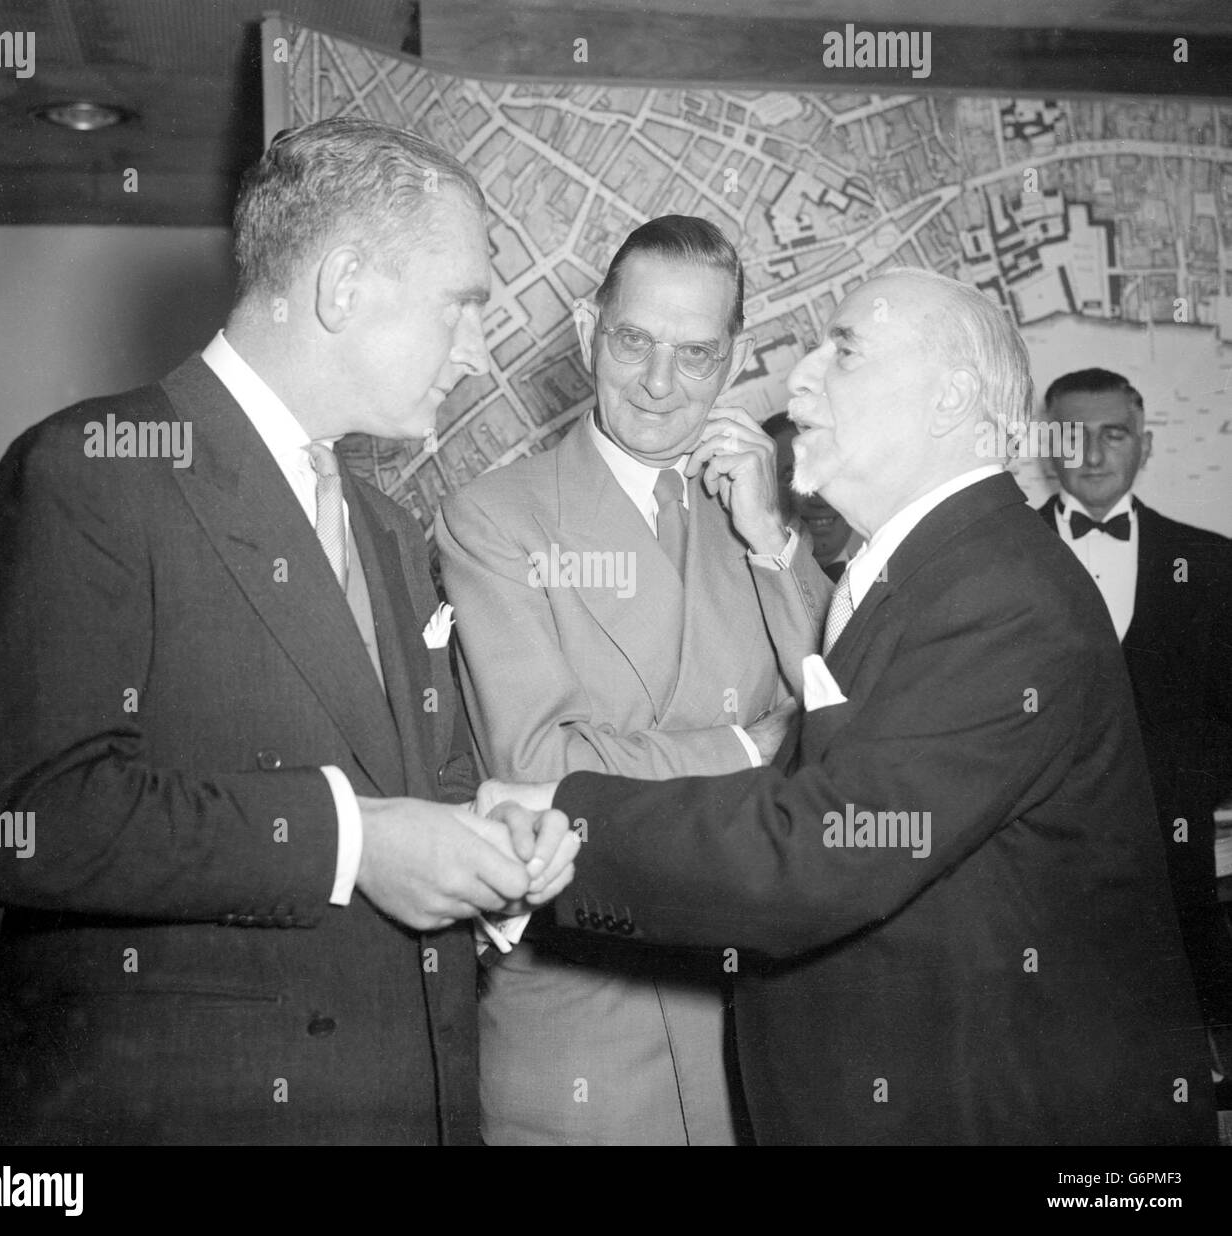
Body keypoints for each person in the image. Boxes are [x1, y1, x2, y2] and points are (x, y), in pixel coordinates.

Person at [0, 118, 571, 1146]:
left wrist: (491, 842)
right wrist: (352, 842)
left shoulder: (389, 527)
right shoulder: (90, 469)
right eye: (464, 306)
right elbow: (26, 820)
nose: (479, 349)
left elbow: (424, 788)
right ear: (345, 283)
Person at [479, 268, 1216, 1145]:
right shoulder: (935, 573)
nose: (798, 378)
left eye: (846, 351)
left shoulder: (1000, 592)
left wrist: (572, 821)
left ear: (950, 401)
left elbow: (831, 841)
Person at [435, 216, 830, 1144]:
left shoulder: (765, 522)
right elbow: (541, 765)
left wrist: (773, 540)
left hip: (767, 1023)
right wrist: (753, 746)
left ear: (734, 361)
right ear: (585, 331)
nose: (659, 383)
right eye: (633, 341)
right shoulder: (496, 517)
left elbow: (850, 731)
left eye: (695, 354)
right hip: (587, 1036)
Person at [1037, 368, 1232, 1076]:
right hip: (1029, 881)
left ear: (1144, 447)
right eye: (1072, 435)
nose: (1091, 454)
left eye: (1112, 435)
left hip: (1175, 888)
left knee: (1173, 1093)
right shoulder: (989, 561)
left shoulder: (1212, 565)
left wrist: (1183, 793)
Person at [763, 412, 860, 580]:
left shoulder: (886, 583)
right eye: (794, 478)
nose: (821, 500)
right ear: (762, 489)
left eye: (831, 476)